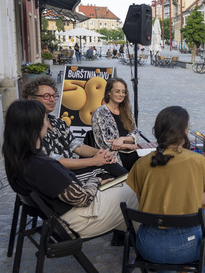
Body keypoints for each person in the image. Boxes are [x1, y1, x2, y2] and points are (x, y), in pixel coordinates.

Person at [2, 99, 138, 239]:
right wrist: (95, 181)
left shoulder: (17, 157)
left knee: (124, 187)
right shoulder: (43, 165)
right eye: (44, 119)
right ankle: (147, 243)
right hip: (79, 220)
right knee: (137, 190)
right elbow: (82, 199)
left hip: (64, 217)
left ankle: (134, 236)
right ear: (36, 126)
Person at [126, 106, 205, 271]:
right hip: (185, 245)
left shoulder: (141, 163)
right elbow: (202, 201)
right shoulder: (197, 161)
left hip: (147, 244)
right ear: (184, 131)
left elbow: (141, 201)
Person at [22, 76, 127, 183]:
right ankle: (134, 187)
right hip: (56, 177)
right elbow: (54, 161)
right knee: (109, 170)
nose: (52, 100)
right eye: (47, 96)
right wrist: (94, 161)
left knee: (110, 166)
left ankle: (133, 187)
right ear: (31, 98)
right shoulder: (31, 127)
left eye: (54, 96)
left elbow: (78, 146)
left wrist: (101, 152)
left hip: (70, 170)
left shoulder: (58, 122)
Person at [92, 78, 139, 171]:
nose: (121, 95)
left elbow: (136, 134)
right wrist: (128, 145)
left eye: (123, 92)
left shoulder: (126, 111)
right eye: (117, 91)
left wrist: (122, 139)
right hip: (112, 158)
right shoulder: (100, 113)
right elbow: (106, 143)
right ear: (109, 92)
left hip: (131, 153)